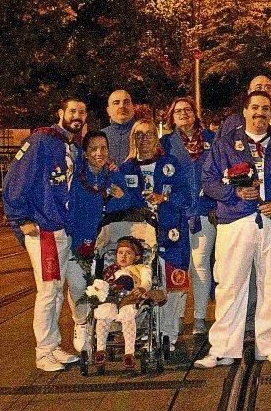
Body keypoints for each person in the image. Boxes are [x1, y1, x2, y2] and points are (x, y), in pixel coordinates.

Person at [196, 91, 271, 367]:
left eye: (265, 109)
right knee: (230, 284)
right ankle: (223, 348)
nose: (260, 113)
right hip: (236, 221)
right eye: (254, 108)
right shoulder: (226, 145)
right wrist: (235, 194)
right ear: (245, 111)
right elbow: (208, 179)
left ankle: (270, 345)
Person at [3, 97, 87, 372]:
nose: (77, 116)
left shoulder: (72, 146)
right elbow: (16, 177)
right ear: (60, 113)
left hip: (61, 228)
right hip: (44, 228)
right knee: (49, 292)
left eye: (82, 112)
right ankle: (43, 351)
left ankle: (53, 346)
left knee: (57, 292)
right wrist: (20, 218)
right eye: (72, 111)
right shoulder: (41, 141)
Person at [106, 121, 192, 350]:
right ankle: (145, 331)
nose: (144, 139)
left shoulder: (170, 164)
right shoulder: (125, 169)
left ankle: (168, 334)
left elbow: (187, 197)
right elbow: (117, 203)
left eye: (149, 134)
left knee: (172, 285)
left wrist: (165, 199)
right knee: (142, 282)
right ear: (132, 139)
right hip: (140, 238)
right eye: (138, 134)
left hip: (171, 233)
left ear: (157, 137)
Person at [64, 131, 127, 358]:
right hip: (78, 241)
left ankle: (103, 324)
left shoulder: (112, 174)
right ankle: (81, 322)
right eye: (93, 149)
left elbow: (128, 199)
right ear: (86, 153)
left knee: (106, 285)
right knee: (79, 286)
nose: (99, 153)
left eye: (104, 148)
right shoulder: (77, 177)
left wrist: (120, 195)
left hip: (105, 242)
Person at [161, 97, 217, 334]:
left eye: (188, 110)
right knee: (177, 265)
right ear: (171, 117)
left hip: (205, 211)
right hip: (175, 213)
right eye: (178, 111)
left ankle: (200, 317)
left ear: (195, 114)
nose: (183, 114)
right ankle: (176, 315)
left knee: (201, 264)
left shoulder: (212, 141)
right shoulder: (164, 144)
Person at [91, 236, 153, 372]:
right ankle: (100, 350)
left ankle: (129, 353)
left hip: (130, 297)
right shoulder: (110, 270)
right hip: (112, 297)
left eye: (128, 253)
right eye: (120, 253)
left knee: (127, 315)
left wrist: (142, 288)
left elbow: (147, 281)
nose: (123, 256)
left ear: (136, 257)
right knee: (104, 314)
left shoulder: (141, 268)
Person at [102, 89, 136, 165]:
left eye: (126, 102)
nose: (122, 106)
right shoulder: (99, 136)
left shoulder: (143, 135)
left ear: (133, 108)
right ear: (108, 111)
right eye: (116, 103)